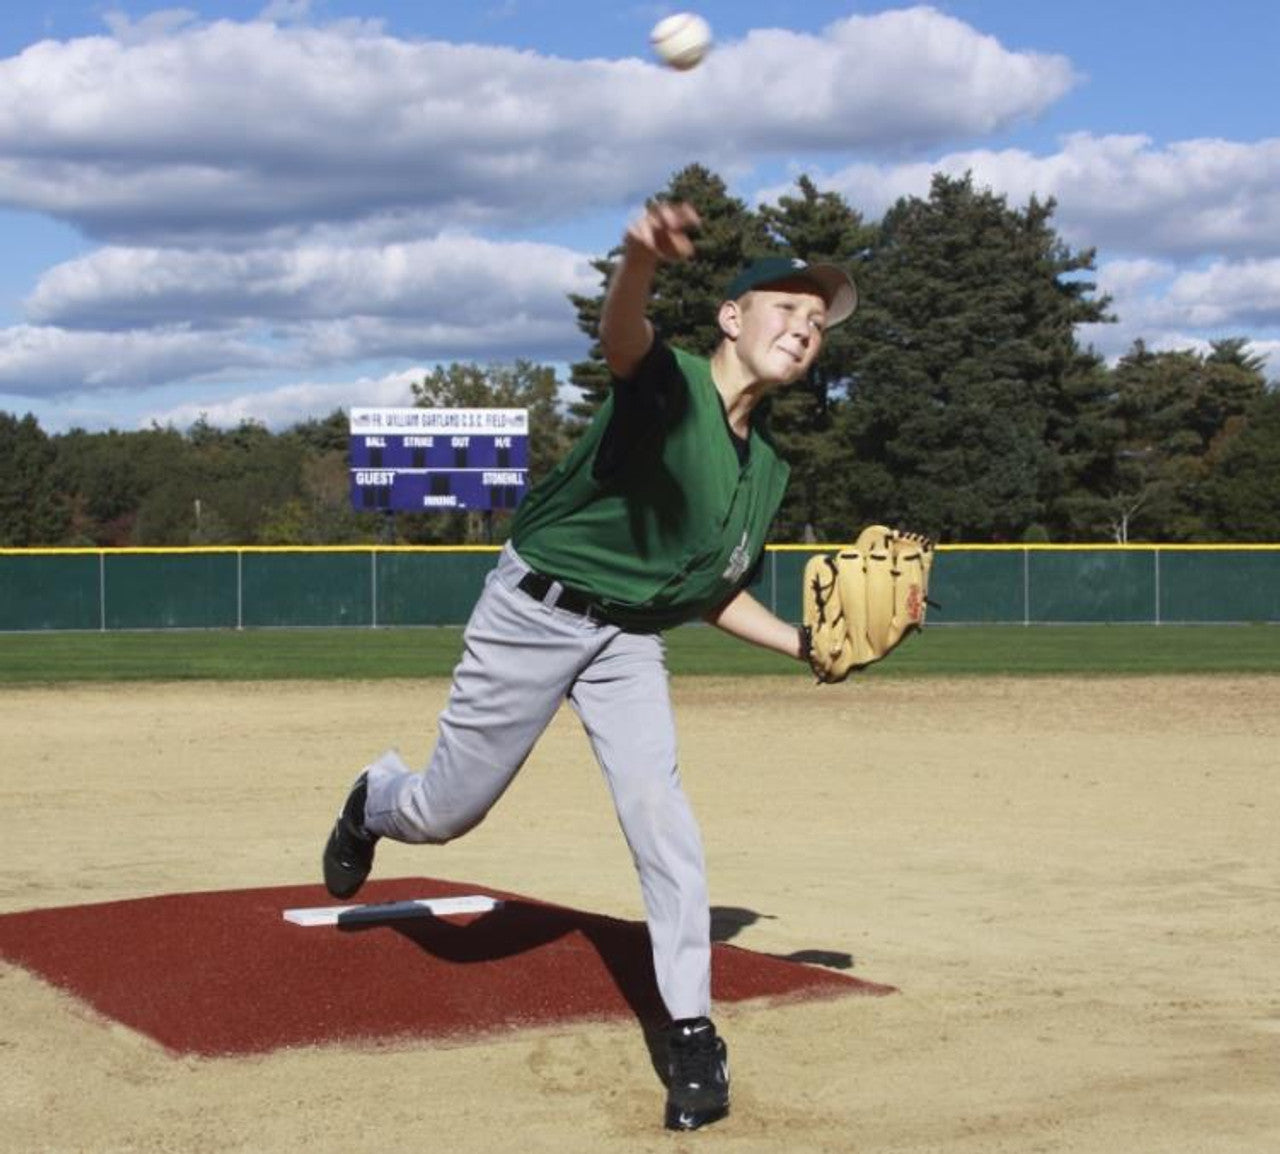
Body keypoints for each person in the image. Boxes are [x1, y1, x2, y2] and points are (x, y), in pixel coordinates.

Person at [323, 200, 857, 1131]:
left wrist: (805, 646)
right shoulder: (670, 385)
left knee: (663, 818)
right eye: (786, 310)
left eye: (817, 325)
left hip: (628, 641)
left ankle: (691, 1029)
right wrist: (640, 260)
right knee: (446, 812)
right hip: (535, 612)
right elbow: (622, 334)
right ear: (732, 318)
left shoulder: (765, 472)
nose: (805, 330)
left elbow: (709, 591)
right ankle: (374, 799)